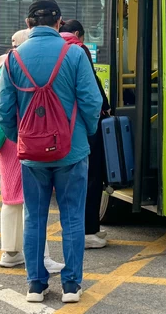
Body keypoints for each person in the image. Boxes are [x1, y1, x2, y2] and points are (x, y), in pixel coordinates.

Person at [0, 0, 103, 304]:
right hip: (72, 151)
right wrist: (83, 135)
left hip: (31, 154)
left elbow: (1, 109)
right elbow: (92, 103)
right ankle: (71, 286)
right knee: (71, 217)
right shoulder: (74, 53)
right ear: (58, 24)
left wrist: (22, 137)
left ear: (28, 25)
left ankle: (35, 285)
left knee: (34, 217)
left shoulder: (14, 58)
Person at [0, 29, 64, 273]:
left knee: (10, 196)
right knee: (33, 200)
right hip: (24, 137)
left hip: (7, 139)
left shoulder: (0, 65)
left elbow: (0, 106)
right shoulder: (20, 65)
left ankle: (9, 252)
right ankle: (41, 257)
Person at [59, 19, 111, 249]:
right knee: (92, 177)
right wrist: (101, 115)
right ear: (78, 33)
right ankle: (88, 231)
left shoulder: (55, 49)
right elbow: (92, 90)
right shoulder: (79, 50)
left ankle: (84, 230)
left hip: (61, 126)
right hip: (84, 126)